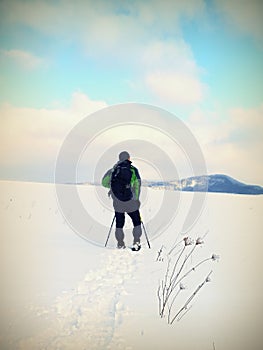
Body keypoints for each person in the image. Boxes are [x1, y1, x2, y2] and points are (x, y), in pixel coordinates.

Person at [102, 151, 142, 251]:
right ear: (128, 158)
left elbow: (104, 183)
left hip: (118, 201)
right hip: (131, 201)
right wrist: (136, 199)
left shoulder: (114, 170)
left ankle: (120, 243)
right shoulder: (133, 170)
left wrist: (115, 189)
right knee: (136, 221)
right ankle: (136, 242)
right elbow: (137, 185)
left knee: (119, 223)